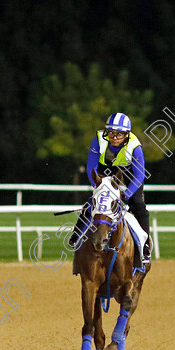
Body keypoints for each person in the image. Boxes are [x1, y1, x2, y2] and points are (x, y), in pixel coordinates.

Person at [68, 112, 152, 262]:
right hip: (104, 174)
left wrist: (126, 195)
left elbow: (139, 176)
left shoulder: (135, 147)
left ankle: (145, 247)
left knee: (139, 206)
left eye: (119, 134)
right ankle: (76, 234)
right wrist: (97, 187)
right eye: (111, 133)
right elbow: (91, 167)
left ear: (126, 135)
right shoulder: (98, 140)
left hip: (130, 177)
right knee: (93, 202)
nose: (114, 137)